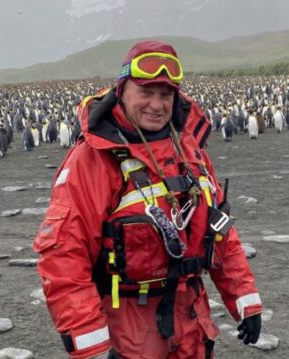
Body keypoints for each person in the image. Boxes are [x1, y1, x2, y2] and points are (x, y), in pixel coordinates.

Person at [33, 40, 263, 359]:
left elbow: (219, 231)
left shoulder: (189, 150)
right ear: (122, 89)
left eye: (165, 94)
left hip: (191, 325)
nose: (157, 104)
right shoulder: (93, 159)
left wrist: (244, 298)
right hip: (129, 332)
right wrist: (92, 344)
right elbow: (62, 255)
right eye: (146, 92)